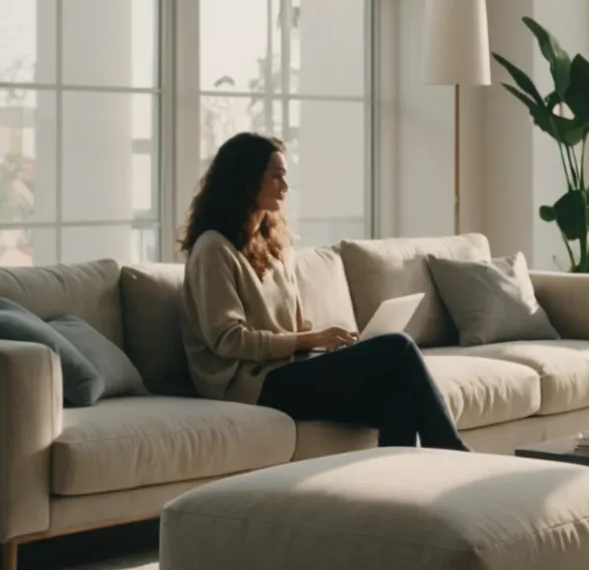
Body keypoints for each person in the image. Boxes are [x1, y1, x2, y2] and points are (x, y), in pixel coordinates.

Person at [179, 132, 468, 450]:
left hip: (286, 371)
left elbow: (291, 328)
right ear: (245, 180)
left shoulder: (273, 248)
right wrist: (311, 340)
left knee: (395, 399)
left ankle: (396, 488)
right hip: (249, 386)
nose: (285, 187)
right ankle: (452, 451)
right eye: (276, 177)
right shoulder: (213, 250)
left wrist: (327, 349)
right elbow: (228, 340)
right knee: (397, 346)